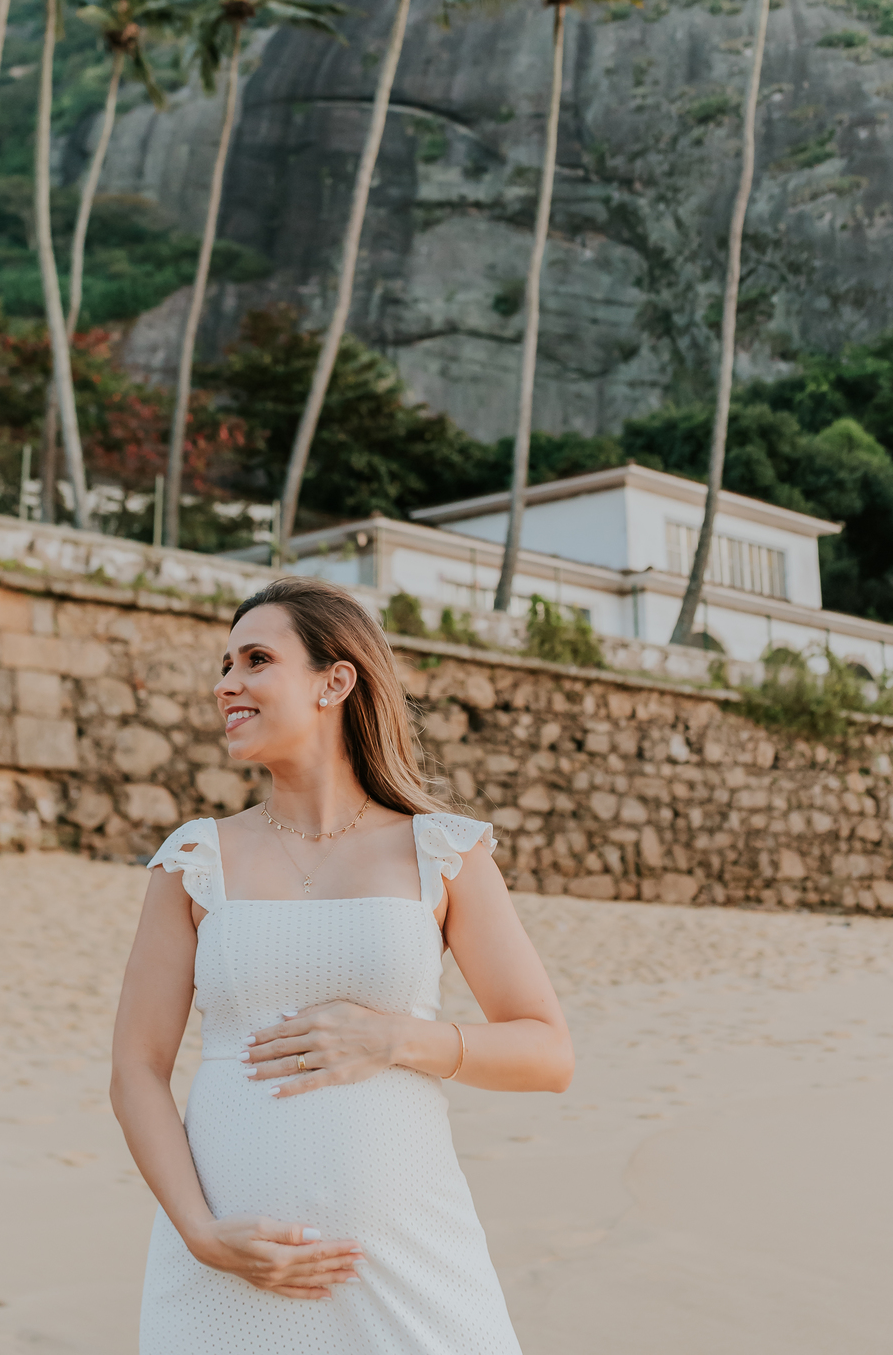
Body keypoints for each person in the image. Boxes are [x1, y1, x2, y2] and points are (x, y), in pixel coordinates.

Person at [111, 575, 573, 1354]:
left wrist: (395, 1040)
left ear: (336, 680)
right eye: (224, 666)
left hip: (407, 1259)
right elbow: (135, 1069)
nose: (228, 684)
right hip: (230, 1266)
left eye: (255, 660)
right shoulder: (195, 859)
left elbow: (547, 1051)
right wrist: (200, 1232)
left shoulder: (442, 851)